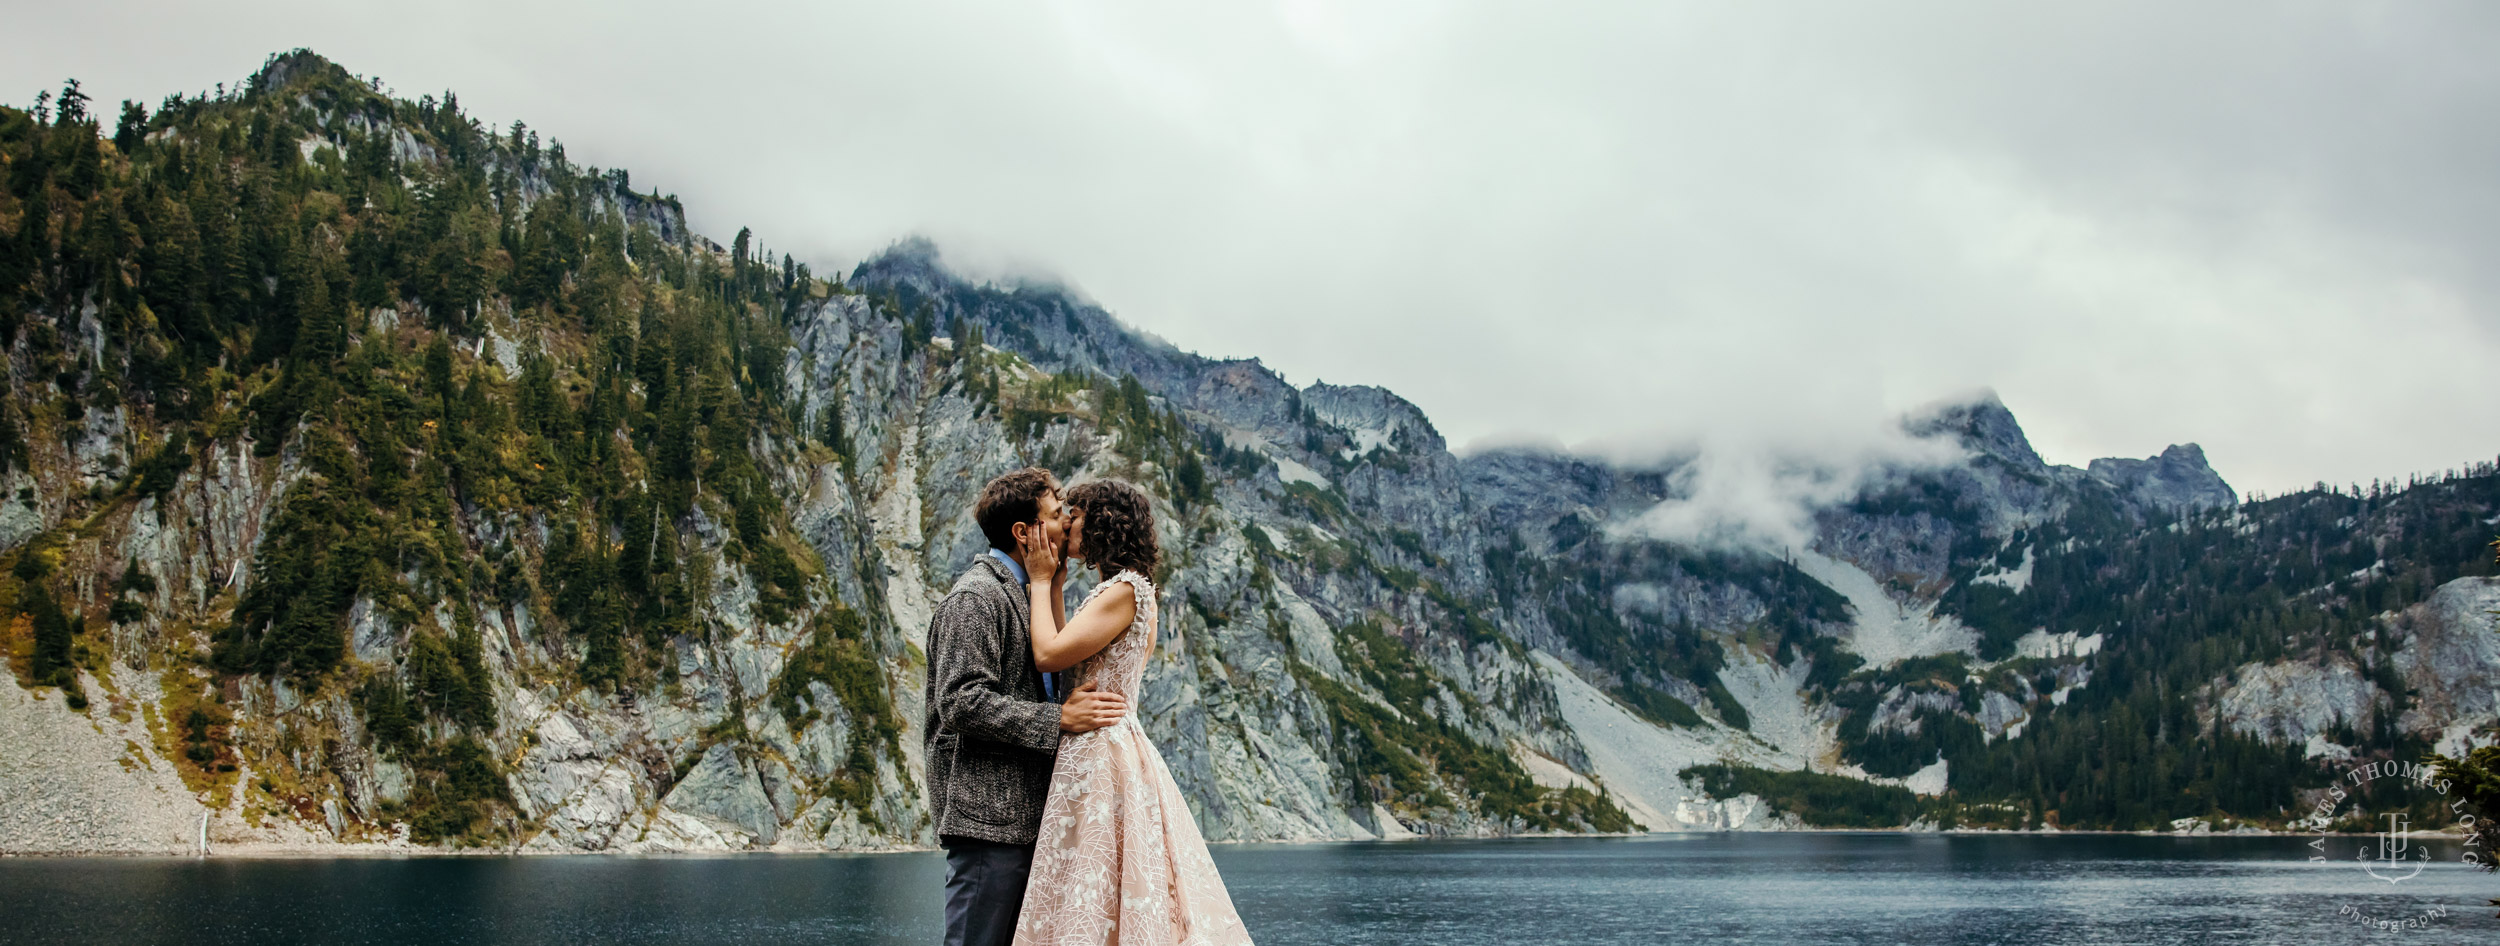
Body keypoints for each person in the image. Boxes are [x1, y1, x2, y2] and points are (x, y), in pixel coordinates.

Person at [1011, 479, 1255, 946]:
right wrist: (1058, 586)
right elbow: (1070, 662)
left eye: (1074, 516)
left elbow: (1047, 654)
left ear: (1100, 522)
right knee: (1096, 880)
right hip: (1103, 743)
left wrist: (1040, 581)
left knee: (1094, 873)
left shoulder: (1124, 590)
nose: (1066, 524)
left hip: (1101, 750)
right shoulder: (1120, 589)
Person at [926, 467, 1132, 946]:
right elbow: (960, 701)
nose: (1069, 524)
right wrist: (1059, 719)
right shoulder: (976, 597)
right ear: (1025, 532)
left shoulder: (1025, 594)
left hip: (1025, 819)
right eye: (1058, 514)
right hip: (989, 822)